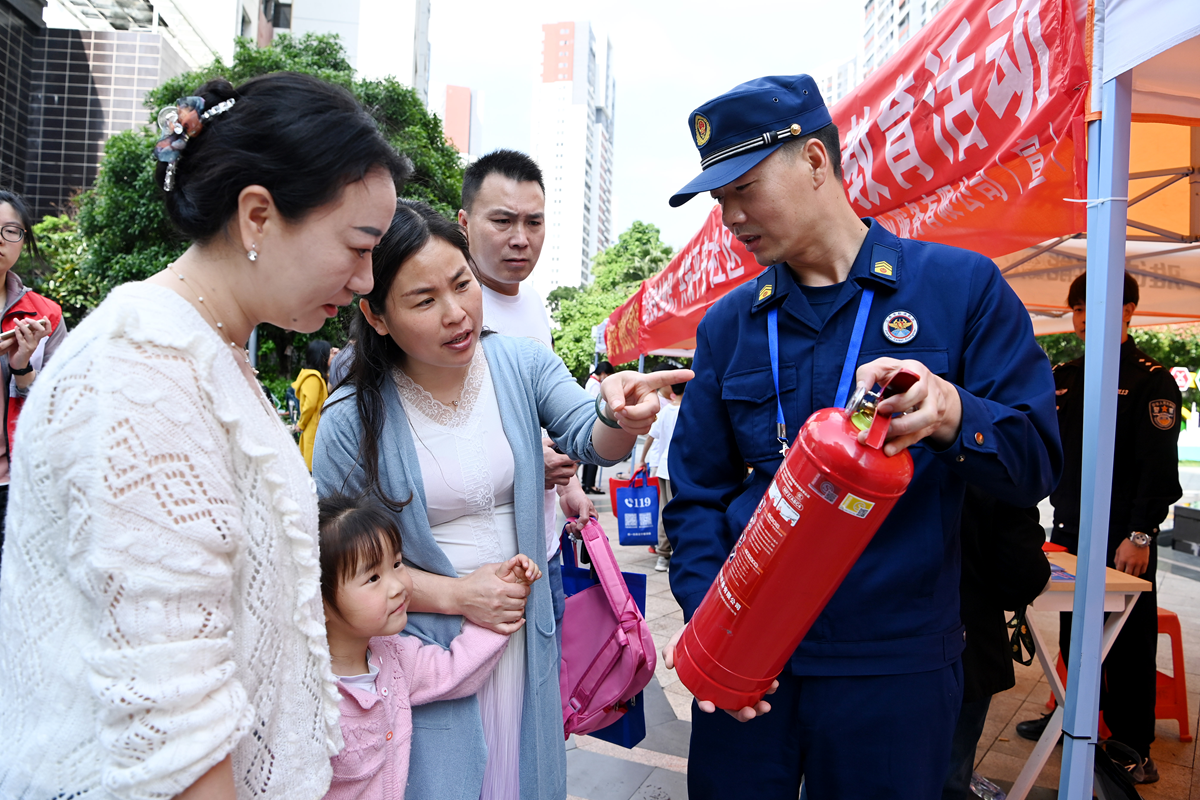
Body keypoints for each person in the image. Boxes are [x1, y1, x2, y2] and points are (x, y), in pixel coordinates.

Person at [0, 72, 405, 798]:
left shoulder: (205, 350)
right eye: (358, 245)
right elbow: (175, 739)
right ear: (257, 215)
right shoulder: (142, 372)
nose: (366, 280)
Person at [659, 74, 1061, 800]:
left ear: (815, 160)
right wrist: (711, 625)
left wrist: (951, 413)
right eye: (719, 201)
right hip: (753, 667)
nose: (730, 218)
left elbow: (1035, 462)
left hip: (895, 670)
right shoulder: (728, 326)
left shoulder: (959, 290)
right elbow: (694, 500)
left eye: (744, 188)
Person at [313, 200, 689, 800]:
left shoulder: (520, 364)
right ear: (377, 316)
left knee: (525, 777)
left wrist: (620, 413)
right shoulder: (349, 419)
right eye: (423, 300)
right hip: (425, 655)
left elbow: (590, 435)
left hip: (521, 635)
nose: (457, 312)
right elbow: (329, 567)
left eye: (462, 283)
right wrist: (458, 594)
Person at [1015, 271, 1181, 784]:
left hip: (1122, 535)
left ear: (1129, 310)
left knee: (1128, 642)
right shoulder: (1066, 374)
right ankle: (1073, 718)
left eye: (1099, 307)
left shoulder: (1152, 379)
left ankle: (1133, 744)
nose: (1085, 318)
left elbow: (1159, 468)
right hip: (1068, 529)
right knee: (1073, 632)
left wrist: (1140, 534)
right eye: (1079, 308)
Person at [457, 149, 595, 652]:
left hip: (546, 541)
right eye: (502, 220)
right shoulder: (450, 306)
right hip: (478, 556)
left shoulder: (534, 303)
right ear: (465, 223)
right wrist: (522, 461)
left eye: (534, 222)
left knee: (546, 691)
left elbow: (546, 415)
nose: (521, 238)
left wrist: (568, 488)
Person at [317, 492, 538, 799]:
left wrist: (499, 607)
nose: (397, 586)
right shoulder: (306, 698)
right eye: (372, 578)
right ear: (318, 601)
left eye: (396, 564)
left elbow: (453, 670)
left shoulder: (392, 656)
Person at [942, 486, 1051, 800]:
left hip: (852, 656)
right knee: (946, 781)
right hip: (963, 648)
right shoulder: (986, 462)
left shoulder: (851, 446)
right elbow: (1021, 575)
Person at [0, 189, 67, 562]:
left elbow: (60, 406)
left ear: (23, 241)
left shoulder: (44, 315)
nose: (0, 239)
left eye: (11, 230)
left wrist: (23, 368)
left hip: (15, 484)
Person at [636, 370, 685, 572]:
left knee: (665, 511)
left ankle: (663, 555)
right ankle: (673, 554)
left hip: (664, 468)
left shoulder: (665, 412)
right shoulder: (690, 411)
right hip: (682, 469)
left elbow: (650, 437)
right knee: (682, 511)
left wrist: (642, 459)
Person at [294, 338, 332, 471]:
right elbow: (310, 405)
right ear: (322, 357)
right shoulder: (313, 378)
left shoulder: (318, 376)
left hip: (315, 427)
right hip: (313, 428)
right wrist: (301, 423)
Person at [581, 361, 615, 493]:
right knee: (594, 456)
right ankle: (590, 484)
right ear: (603, 373)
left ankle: (586, 483)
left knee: (589, 456)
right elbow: (597, 404)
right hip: (594, 422)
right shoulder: (595, 385)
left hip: (588, 421)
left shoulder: (592, 382)